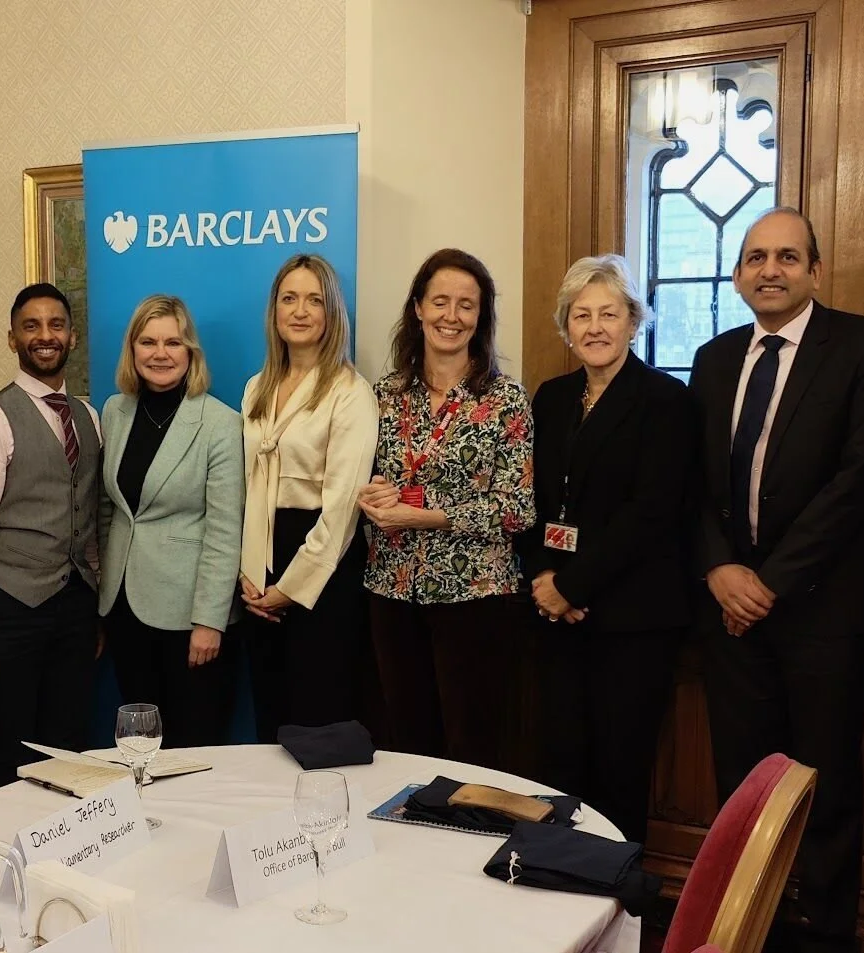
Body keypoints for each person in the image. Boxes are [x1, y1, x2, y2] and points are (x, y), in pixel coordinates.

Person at [689, 208, 864, 953]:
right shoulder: (714, 357)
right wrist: (720, 567)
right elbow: (693, 480)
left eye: (787, 256)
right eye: (755, 257)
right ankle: (750, 924)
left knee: (824, 777)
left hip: (825, 604)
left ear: (815, 269)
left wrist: (769, 582)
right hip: (729, 607)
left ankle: (824, 931)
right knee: (743, 778)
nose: (770, 270)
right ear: (737, 274)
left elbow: (859, 480)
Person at [514, 255, 696, 844]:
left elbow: (652, 513)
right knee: (559, 764)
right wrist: (544, 579)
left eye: (609, 314)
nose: (595, 327)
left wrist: (571, 586)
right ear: (566, 326)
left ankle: (616, 892)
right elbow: (530, 500)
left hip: (633, 619)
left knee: (619, 771)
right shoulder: (551, 397)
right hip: (556, 615)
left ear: (634, 321)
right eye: (581, 315)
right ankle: (556, 880)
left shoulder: (665, 399)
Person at [359, 248, 535, 771]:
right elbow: (361, 479)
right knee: (404, 745)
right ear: (418, 308)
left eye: (466, 305)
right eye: (440, 302)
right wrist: (370, 495)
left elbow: (518, 508)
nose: (451, 316)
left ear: (481, 317)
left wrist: (425, 515)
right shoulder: (384, 395)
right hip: (392, 590)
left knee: (470, 750)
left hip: (475, 597)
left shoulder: (506, 399)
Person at [0, 283, 101, 788]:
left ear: (72, 337)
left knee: (69, 746)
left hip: (75, 608)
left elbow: (88, 519)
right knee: (9, 750)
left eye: (56, 325)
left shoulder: (89, 417)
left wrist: (94, 608)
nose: (45, 336)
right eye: (30, 326)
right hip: (12, 609)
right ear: (13, 339)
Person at [238, 255, 376, 742]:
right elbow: (251, 487)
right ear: (274, 309)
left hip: (322, 567)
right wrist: (251, 576)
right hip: (263, 562)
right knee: (269, 718)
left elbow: (342, 509)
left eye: (314, 300)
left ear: (331, 312)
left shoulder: (350, 392)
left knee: (316, 724)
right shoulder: (257, 387)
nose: (300, 311)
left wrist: (291, 588)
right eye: (289, 298)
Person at [98, 295, 245, 747]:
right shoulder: (115, 411)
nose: (160, 353)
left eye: (173, 343)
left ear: (190, 352)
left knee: (192, 745)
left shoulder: (221, 424)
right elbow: (109, 509)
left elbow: (225, 531)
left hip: (188, 620)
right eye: (148, 342)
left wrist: (210, 621)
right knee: (140, 746)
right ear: (132, 349)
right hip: (124, 610)